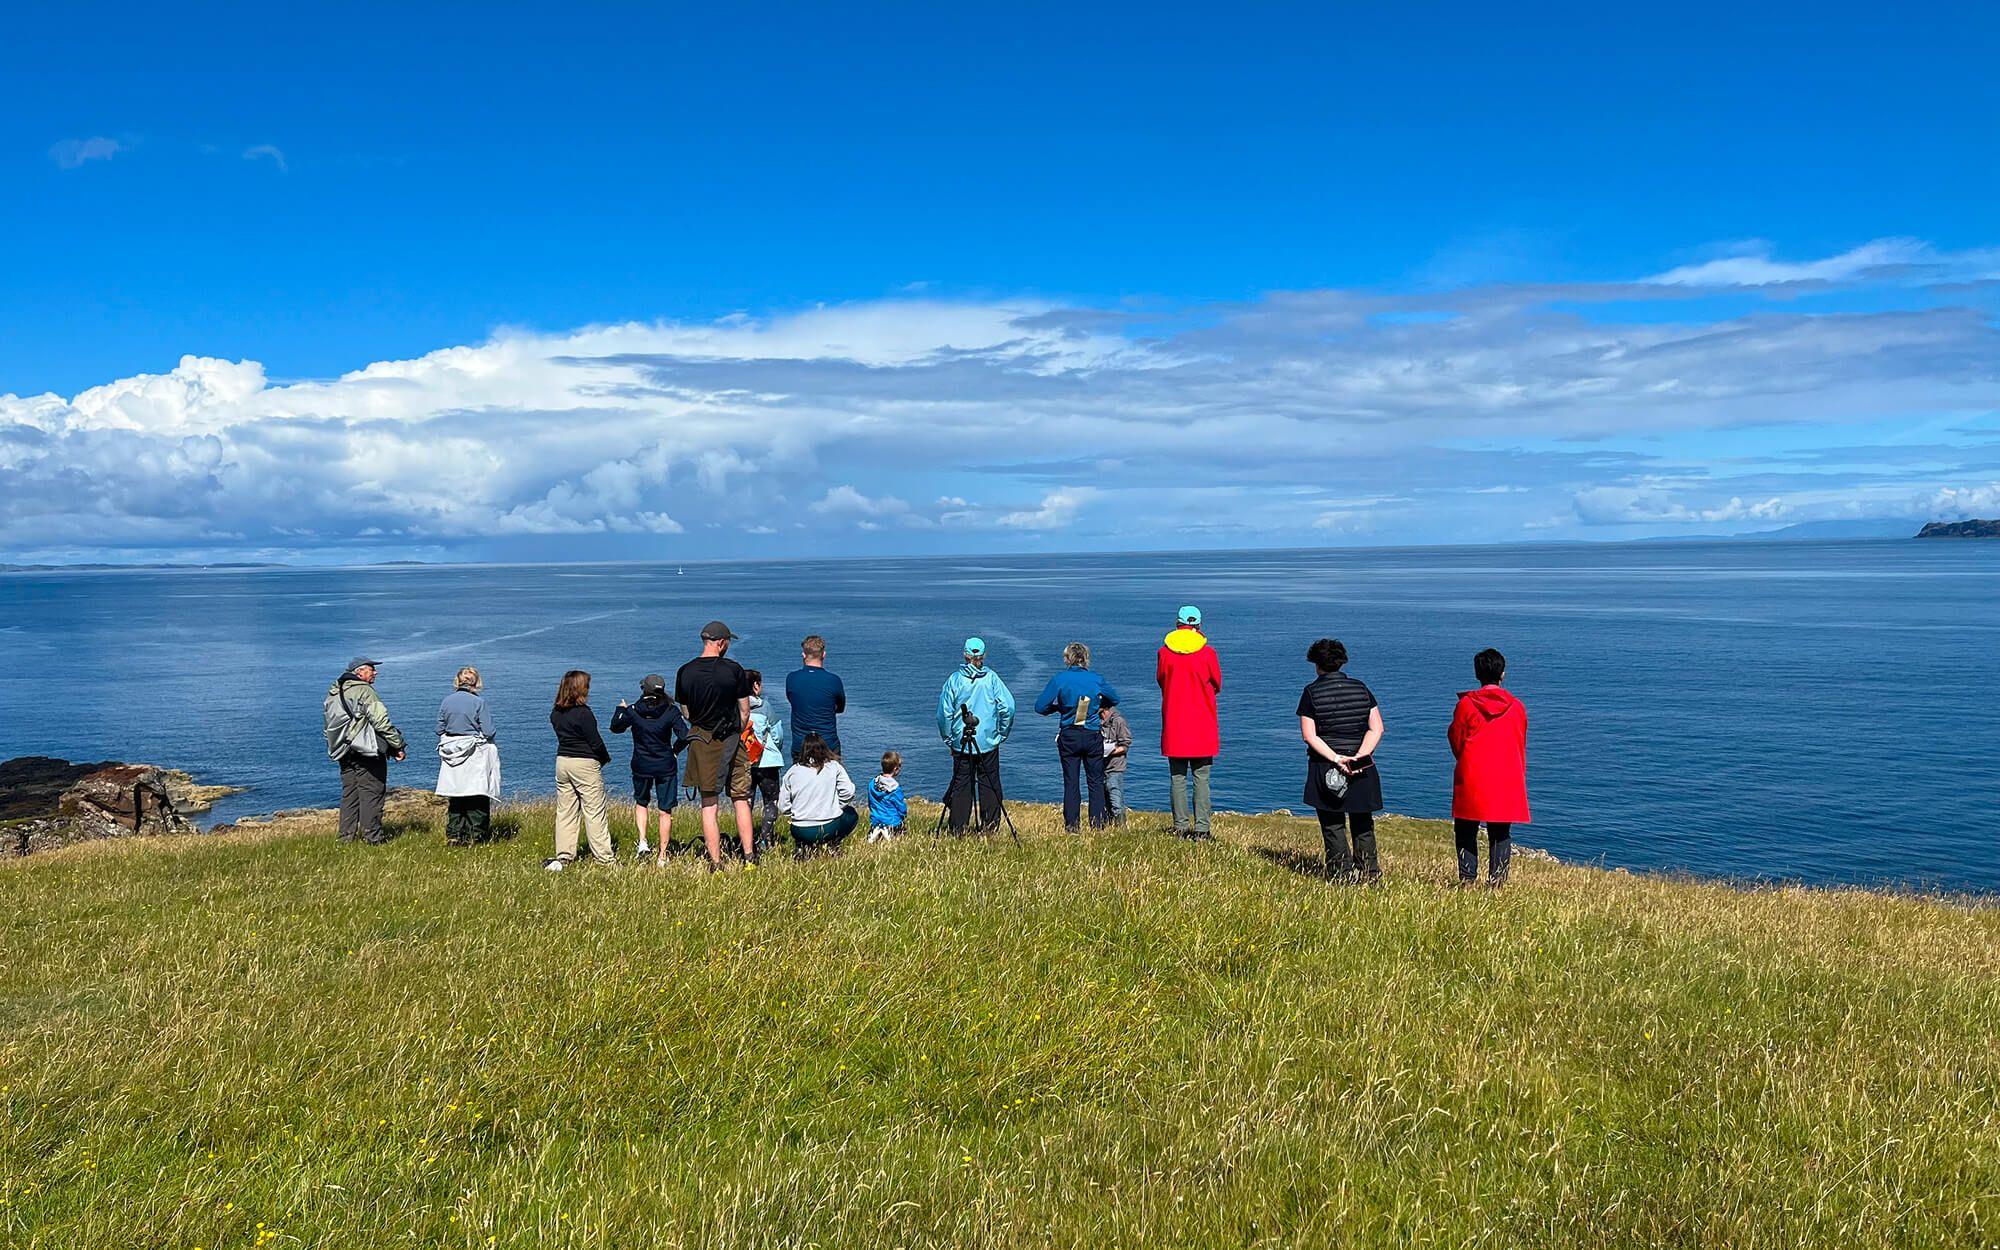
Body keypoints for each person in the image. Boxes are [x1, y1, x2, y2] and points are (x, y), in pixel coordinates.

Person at [1298, 638, 1385, 883]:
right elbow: (1376, 728)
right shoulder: (1361, 688)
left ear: (1316, 664)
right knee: (1363, 821)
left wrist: (1337, 758)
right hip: (1361, 764)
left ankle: (1340, 874)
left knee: (1332, 822)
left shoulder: (1311, 692)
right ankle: (1369, 873)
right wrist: (1359, 756)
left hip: (1325, 764)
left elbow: (1309, 735)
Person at [676, 621, 758, 868]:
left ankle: (715, 861)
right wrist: (736, 730)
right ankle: (749, 856)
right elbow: (745, 711)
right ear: (721, 643)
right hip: (733, 740)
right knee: (740, 798)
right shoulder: (734, 670)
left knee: (709, 803)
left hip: (702, 740)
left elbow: (686, 712)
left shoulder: (685, 672)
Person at [1448, 648, 1530, 887]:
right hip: (1506, 774)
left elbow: (1456, 738)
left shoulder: (1466, 705)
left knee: (1465, 828)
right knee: (1500, 831)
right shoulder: (1517, 707)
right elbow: (1519, 740)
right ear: (1502, 674)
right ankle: (1497, 882)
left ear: (1477, 674)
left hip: (1473, 772)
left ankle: (1467, 879)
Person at [1035, 642, 1122, 831]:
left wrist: (1058, 708)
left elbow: (1040, 707)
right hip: (1091, 734)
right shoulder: (1095, 679)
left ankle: (1072, 826)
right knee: (1096, 782)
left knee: (1071, 782)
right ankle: (1097, 824)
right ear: (1086, 659)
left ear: (1067, 659)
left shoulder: (1059, 679)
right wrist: (1100, 705)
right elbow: (1115, 698)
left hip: (1069, 735)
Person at [323, 656, 406, 844]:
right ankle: (372, 838)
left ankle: (345, 838)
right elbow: (381, 722)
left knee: (350, 795)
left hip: (343, 750)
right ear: (359, 672)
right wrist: (397, 745)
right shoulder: (365, 691)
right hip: (366, 749)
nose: (375, 672)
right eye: (371, 669)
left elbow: (328, 726)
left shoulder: (334, 694)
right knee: (372, 793)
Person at [936, 637, 1015, 834]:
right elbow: (1008, 707)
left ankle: (958, 829)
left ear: (965, 655)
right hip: (988, 740)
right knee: (989, 783)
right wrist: (1001, 733)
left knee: (962, 783)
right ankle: (989, 828)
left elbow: (944, 714)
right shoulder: (992, 679)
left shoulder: (954, 680)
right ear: (983, 656)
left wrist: (948, 739)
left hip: (961, 740)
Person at [1157, 605, 1222, 840]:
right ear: (1199, 626)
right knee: (1201, 777)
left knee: (1177, 777)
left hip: (1175, 722)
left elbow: (1161, 680)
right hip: (1202, 722)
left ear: (1177, 624)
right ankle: (1202, 829)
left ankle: (1180, 826)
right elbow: (1217, 683)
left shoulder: (1164, 653)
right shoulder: (1208, 653)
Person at [610, 673, 689, 866]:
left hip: (641, 764)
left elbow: (616, 727)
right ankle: (662, 854)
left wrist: (620, 710)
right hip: (665, 764)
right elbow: (686, 736)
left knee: (642, 802)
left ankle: (643, 843)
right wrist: (674, 751)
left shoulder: (634, 710)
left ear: (644, 690)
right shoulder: (671, 711)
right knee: (665, 810)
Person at [547, 669, 614, 871]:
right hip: (584, 763)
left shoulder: (556, 712)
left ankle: (564, 855)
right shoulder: (584, 713)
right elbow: (595, 741)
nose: (589, 689)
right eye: (586, 686)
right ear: (579, 689)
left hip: (562, 762)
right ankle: (604, 858)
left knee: (566, 811)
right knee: (594, 812)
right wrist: (604, 758)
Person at [435, 666, 500, 847]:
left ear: (458, 680)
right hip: (473, 753)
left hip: (451, 752)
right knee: (477, 793)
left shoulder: (446, 701)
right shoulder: (479, 703)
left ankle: (454, 834)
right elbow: (488, 731)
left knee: (456, 794)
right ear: (476, 682)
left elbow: (439, 729)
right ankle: (476, 835)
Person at [778, 732, 858, 855]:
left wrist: (794, 813)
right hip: (829, 827)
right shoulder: (834, 767)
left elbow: (782, 805)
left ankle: (803, 847)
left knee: (804, 836)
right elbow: (848, 792)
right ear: (824, 748)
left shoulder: (792, 771)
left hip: (800, 829)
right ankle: (833, 843)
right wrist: (838, 807)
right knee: (852, 815)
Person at [785, 634, 846, 759]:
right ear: (824, 655)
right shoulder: (834, 680)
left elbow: (793, 701)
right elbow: (840, 707)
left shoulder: (792, 678)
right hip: (828, 744)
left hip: (801, 744)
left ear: (804, 654)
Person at [746, 669, 786, 855]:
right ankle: (765, 839)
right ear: (756, 685)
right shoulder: (765, 707)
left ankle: (745, 841)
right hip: (767, 762)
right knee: (771, 801)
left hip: (743, 763)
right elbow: (777, 734)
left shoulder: (733, 707)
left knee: (745, 803)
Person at [1099, 703, 1133, 824]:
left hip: (1115, 766)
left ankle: (1120, 826)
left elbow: (1125, 745)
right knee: (1104, 800)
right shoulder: (1096, 720)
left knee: (1115, 799)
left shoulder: (1119, 721)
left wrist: (1110, 751)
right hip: (1100, 766)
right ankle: (1109, 823)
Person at [868, 750, 907, 841]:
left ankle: (877, 831)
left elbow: (870, 802)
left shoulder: (872, 783)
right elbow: (901, 808)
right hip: (892, 822)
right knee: (903, 833)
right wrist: (902, 817)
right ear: (895, 769)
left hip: (875, 821)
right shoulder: (895, 789)